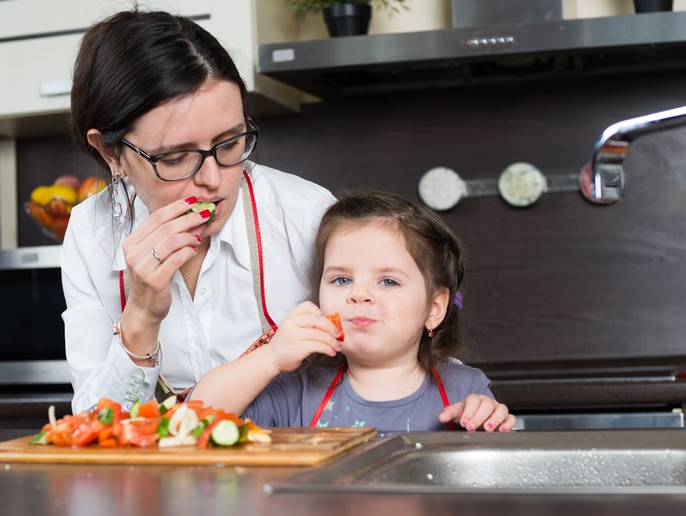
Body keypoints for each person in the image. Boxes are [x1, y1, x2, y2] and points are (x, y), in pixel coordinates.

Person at [61, 9, 335, 414]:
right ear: (110, 152)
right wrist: (141, 316)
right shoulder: (90, 235)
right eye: (176, 158)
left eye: (229, 144)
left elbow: (394, 359)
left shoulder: (306, 215)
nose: (213, 179)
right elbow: (96, 426)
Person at [190, 191, 516, 432]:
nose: (359, 295)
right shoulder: (296, 389)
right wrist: (271, 357)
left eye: (388, 281)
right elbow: (193, 420)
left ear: (434, 309)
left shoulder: (465, 389)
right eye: (342, 279)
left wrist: (487, 423)